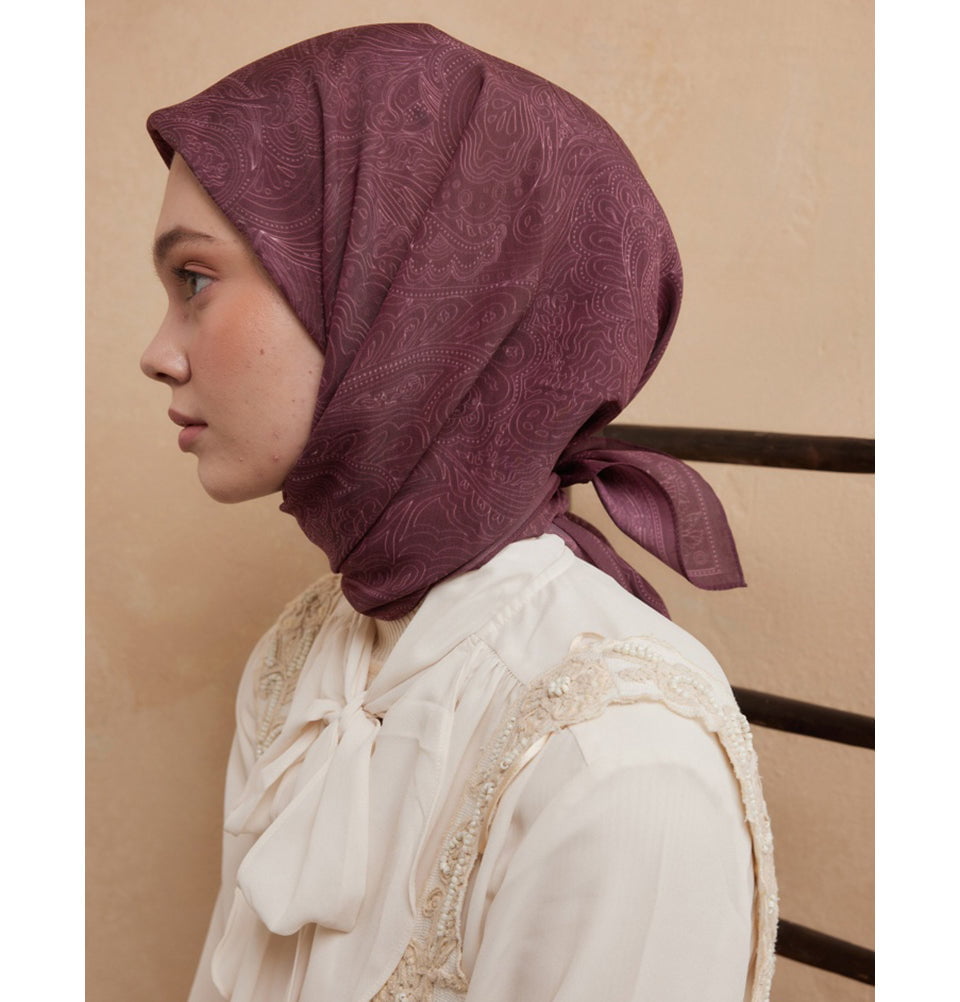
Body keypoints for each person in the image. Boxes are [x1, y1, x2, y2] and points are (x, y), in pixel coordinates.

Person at [140, 22, 777, 1002]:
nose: (157, 352)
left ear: (408, 291)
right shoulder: (305, 657)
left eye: (195, 279)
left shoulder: (618, 764)